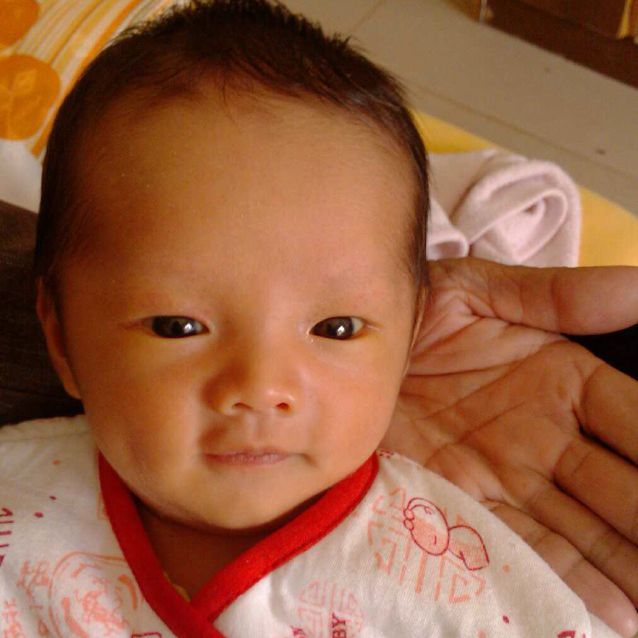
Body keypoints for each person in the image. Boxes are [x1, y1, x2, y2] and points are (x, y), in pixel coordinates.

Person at [0, 0, 635, 635]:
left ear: (412, 333)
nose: (261, 388)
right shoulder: (18, 516)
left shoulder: (463, 567)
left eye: (336, 329)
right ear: (60, 336)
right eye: (178, 327)